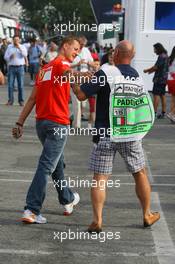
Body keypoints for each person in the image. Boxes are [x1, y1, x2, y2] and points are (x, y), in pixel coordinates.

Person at [72, 40, 160, 232]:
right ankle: (146, 214)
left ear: (117, 54)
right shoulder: (136, 77)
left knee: (100, 178)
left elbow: (81, 95)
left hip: (105, 133)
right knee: (140, 173)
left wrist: (72, 79)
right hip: (129, 133)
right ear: (132, 56)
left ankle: (97, 220)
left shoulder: (107, 73)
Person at [12, 36, 92, 224]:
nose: (77, 52)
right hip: (57, 124)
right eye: (75, 48)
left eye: (79, 50)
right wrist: (84, 75)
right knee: (47, 165)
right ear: (65, 46)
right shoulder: (61, 63)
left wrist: (20, 123)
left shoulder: (44, 69)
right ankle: (31, 209)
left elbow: (33, 99)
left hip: (42, 124)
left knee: (56, 164)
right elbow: (67, 74)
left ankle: (67, 198)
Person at [71, 36, 94, 129]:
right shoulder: (72, 50)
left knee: (83, 103)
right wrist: (77, 64)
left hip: (85, 80)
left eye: (83, 45)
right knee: (76, 103)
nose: (82, 46)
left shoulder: (86, 51)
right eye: (80, 44)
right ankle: (77, 125)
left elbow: (92, 63)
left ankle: (70, 117)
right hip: (74, 79)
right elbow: (67, 65)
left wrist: (88, 63)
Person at [144, 43, 168, 118]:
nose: (154, 50)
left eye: (154, 49)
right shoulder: (166, 56)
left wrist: (147, 70)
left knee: (156, 95)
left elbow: (156, 67)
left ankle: (154, 112)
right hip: (164, 78)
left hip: (159, 79)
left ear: (158, 49)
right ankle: (163, 113)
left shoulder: (161, 56)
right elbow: (160, 67)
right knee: (162, 95)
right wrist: (150, 71)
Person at [4, 35, 27, 106]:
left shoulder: (22, 46)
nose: (16, 41)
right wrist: (10, 56)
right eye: (14, 40)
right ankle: (10, 101)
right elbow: (5, 57)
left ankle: (21, 101)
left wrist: (19, 48)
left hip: (20, 67)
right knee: (10, 85)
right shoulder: (9, 47)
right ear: (12, 40)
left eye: (17, 40)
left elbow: (25, 54)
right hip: (11, 68)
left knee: (20, 85)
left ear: (19, 40)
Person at [167, 46, 175, 123]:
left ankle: (172, 115)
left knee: (173, 99)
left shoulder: (169, 59)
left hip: (170, 80)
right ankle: (171, 113)